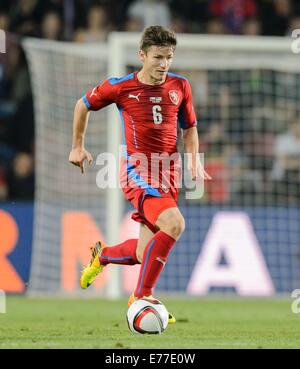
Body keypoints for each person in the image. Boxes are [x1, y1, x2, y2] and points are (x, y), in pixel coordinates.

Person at [69, 25, 211, 323]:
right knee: (174, 224)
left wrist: (194, 160)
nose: (163, 64)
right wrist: (77, 146)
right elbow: (82, 105)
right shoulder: (122, 87)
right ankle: (142, 296)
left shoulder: (180, 86)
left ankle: (103, 256)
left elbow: (190, 127)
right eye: (158, 57)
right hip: (139, 172)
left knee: (144, 252)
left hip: (168, 174)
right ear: (142, 55)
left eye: (169, 57)